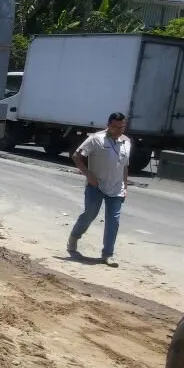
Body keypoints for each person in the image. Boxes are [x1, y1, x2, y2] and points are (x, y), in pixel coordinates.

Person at [67, 112, 131, 267]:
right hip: (96, 186)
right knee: (90, 214)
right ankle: (74, 237)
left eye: (122, 127)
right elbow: (76, 156)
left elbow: (124, 166)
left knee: (113, 221)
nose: (119, 130)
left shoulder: (126, 142)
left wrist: (125, 186)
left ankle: (107, 254)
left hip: (116, 188)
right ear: (108, 125)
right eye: (115, 127)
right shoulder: (96, 139)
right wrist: (88, 175)